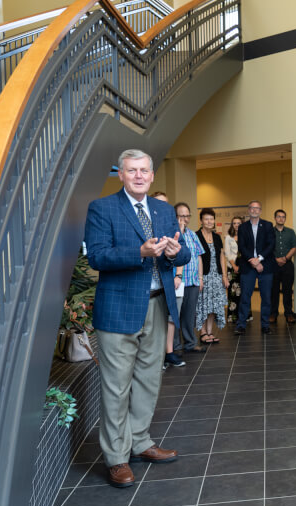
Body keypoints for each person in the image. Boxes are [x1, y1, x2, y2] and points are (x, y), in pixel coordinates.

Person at [84, 149, 191, 488]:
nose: (139, 176)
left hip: (158, 306)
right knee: (117, 386)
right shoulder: (102, 208)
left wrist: (176, 253)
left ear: (152, 175)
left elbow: (183, 251)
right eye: (132, 171)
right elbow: (98, 257)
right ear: (121, 175)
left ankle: (140, 442)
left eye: (144, 170)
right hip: (118, 310)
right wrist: (139, 253)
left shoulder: (162, 209)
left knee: (149, 379)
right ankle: (117, 457)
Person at [151, 192, 183, 365]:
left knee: (170, 318)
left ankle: (168, 352)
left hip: (170, 281)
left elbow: (183, 254)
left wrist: (178, 275)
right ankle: (158, 356)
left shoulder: (171, 226)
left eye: (166, 203)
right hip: (150, 287)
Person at [235, 200, 275, 335]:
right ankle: (241, 325)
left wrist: (259, 259)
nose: (254, 210)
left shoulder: (268, 226)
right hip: (247, 266)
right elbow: (241, 246)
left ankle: (265, 325)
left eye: (257, 208)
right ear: (248, 210)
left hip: (265, 266)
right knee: (245, 297)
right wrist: (252, 261)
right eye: (252, 208)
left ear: (260, 211)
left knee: (266, 298)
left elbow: (271, 245)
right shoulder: (242, 227)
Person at [172, 202, 204, 363]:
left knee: (189, 315)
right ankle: (176, 346)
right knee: (175, 315)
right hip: (178, 281)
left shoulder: (193, 235)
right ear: (175, 216)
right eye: (181, 215)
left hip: (192, 281)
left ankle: (190, 343)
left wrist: (201, 278)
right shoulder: (172, 235)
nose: (184, 218)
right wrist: (179, 230)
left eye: (187, 215)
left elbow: (199, 256)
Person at [195, 208, 228, 343]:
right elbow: (197, 258)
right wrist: (200, 278)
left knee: (213, 305)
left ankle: (209, 331)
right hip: (203, 275)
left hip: (216, 275)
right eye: (206, 219)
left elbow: (221, 257)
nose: (209, 221)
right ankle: (202, 332)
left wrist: (224, 276)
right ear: (201, 221)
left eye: (211, 219)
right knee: (203, 304)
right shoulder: (196, 235)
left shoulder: (217, 237)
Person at [270, 209, 296, 325]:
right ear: (275, 218)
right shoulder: (269, 232)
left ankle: (289, 314)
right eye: (278, 216)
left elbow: (295, 247)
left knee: (287, 291)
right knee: (273, 291)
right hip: (273, 265)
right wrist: (276, 259)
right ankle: (273, 314)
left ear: (285, 219)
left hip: (288, 265)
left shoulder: (290, 232)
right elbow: (266, 248)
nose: (281, 218)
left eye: (283, 217)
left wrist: (285, 258)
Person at [224, 216, 243, 324]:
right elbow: (227, 253)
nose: (236, 225)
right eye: (234, 223)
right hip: (232, 268)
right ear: (232, 225)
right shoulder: (228, 238)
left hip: (244, 267)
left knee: (243, 292)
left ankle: (244, 316)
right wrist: (235, 266)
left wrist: (241, 266)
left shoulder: (245, 236)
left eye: (239, 223)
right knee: (233, 293)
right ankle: (233, 316)